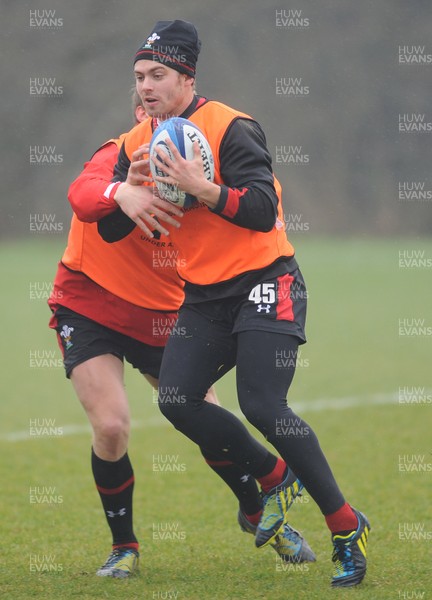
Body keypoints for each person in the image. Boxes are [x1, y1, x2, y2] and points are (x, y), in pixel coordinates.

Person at [97, 20, 371, 588]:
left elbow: (262, 208)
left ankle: (346, 528)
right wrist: (128, 193)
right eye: (140, 76)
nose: (146, 87)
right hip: (204, 296)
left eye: (158, 75)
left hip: (268, 283)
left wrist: (201, 188)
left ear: (186, 76)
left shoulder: (232, 127)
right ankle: (274, 478)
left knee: (263, 406)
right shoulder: (135, 143)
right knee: (175, 399)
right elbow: (108, 232)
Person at [48, 89, 315, 579]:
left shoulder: (206, 166)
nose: (157, 120)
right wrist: (120, 193)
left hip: (164, 312)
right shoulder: (119, 154)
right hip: (91, 303)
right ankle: (123, 546)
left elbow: (255, 213)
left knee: (202, 415)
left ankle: (257, 511)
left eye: (165, 110)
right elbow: (82, 195)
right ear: (136, 118)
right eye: (146, 109)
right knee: (110, 427)